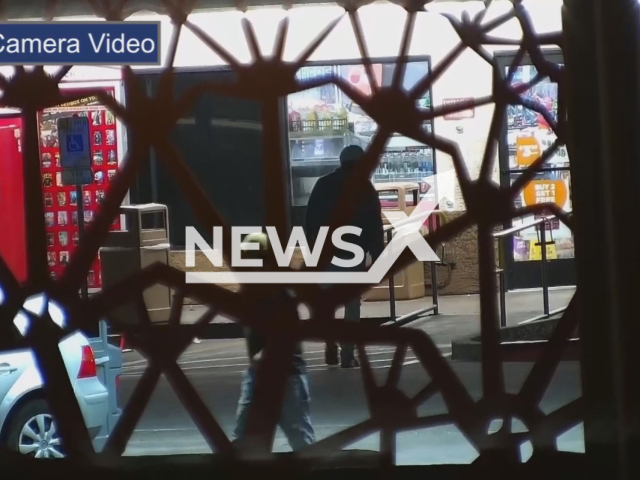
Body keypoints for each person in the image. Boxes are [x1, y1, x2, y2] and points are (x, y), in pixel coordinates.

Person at [231, 232, 316, 451]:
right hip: (274, 373)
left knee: (297, 439)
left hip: (284, 374)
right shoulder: (270, 293)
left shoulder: (274, 296)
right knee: (299, 439)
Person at [305, 145, 384, 368]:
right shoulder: (365, 188)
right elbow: (373, 225)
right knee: (351, 304)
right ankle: (347, 354)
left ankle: (330, 346)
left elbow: (310, 220)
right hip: (353, 253)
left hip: (326, 254)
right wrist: (376, 254)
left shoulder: (322, 185)